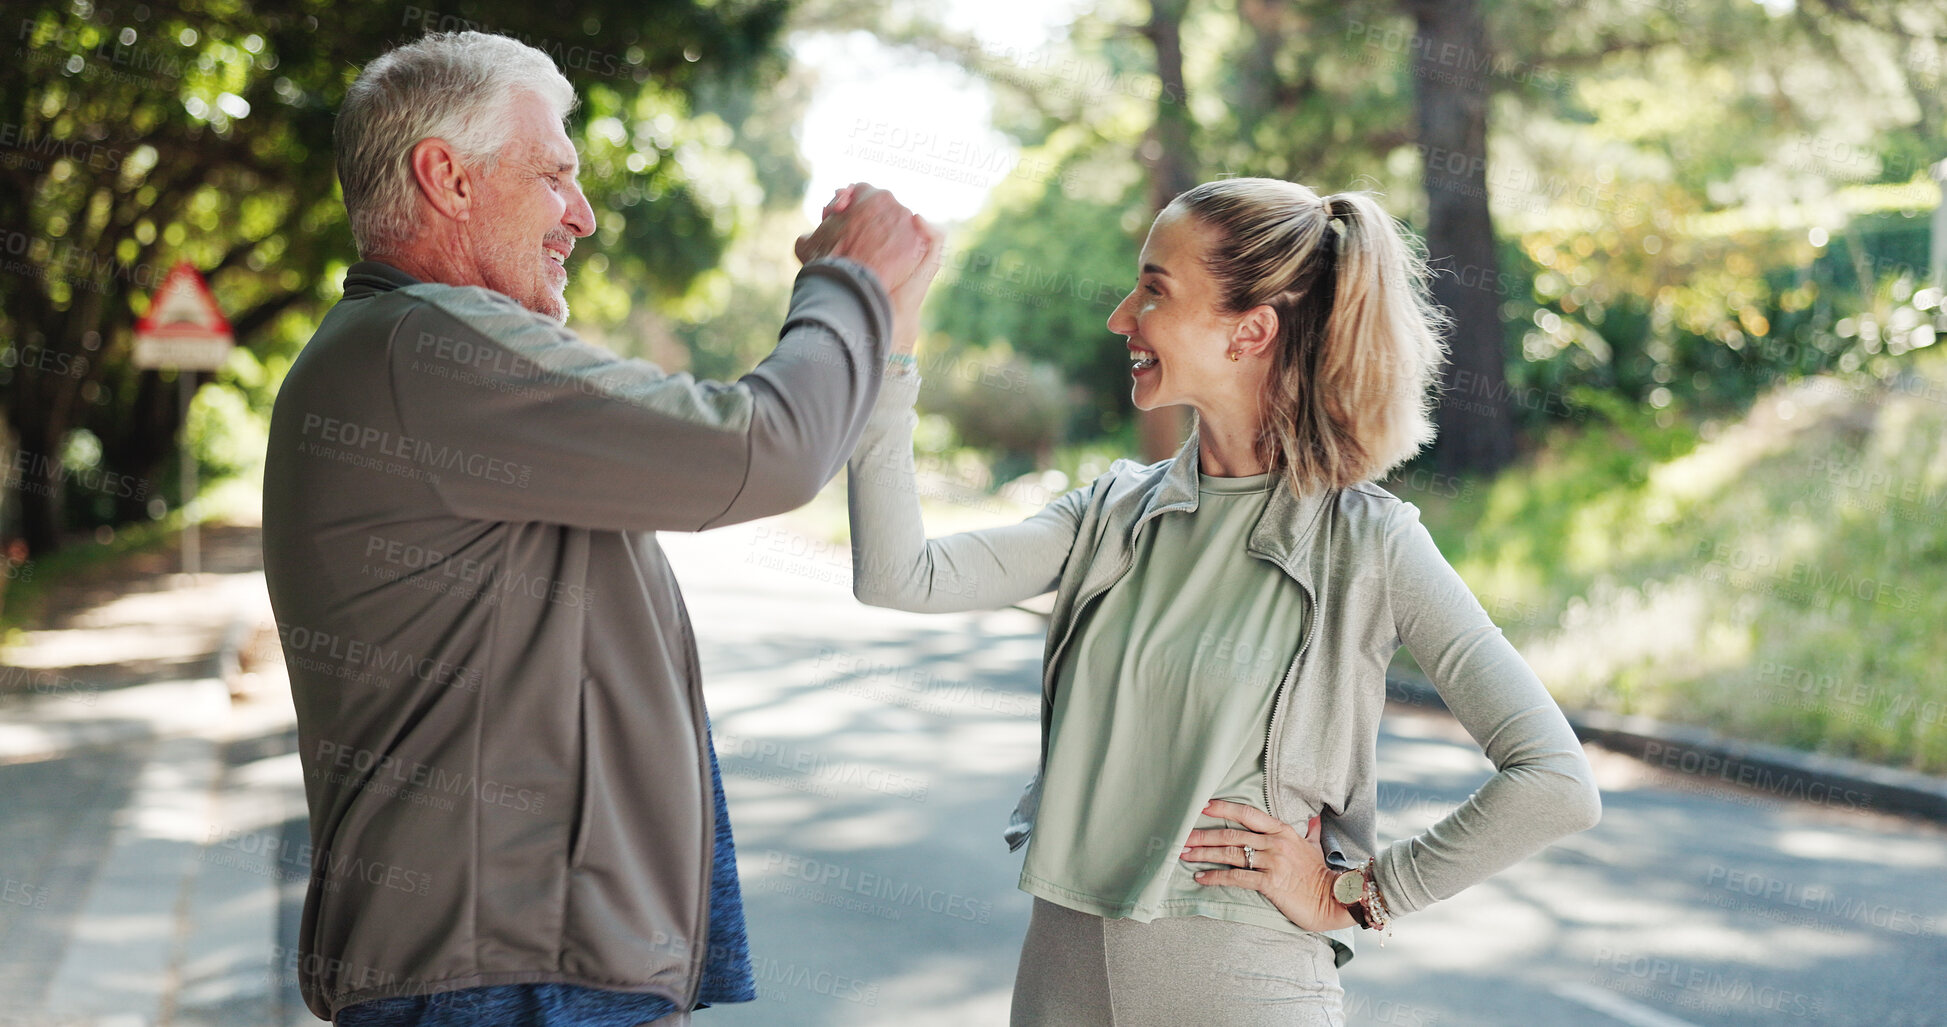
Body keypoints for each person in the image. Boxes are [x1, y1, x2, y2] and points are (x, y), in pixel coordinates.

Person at [262, 31, 938, 1025]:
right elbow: (765, 449)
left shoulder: (404, 352)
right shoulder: (427, 348)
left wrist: (881, 334)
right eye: (554, 176)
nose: (580, 215)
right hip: (506, 975)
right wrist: (850, 284)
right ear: (447, 177)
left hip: (518, 962)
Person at [842, 177, 1603, 1024]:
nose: (1121, 316)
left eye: (1153, 290)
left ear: (1250, 330)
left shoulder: (1368, 540)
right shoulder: (1110, 513)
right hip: (1058, 976)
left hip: (1241, 988)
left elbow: (1553, 778)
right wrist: (891, 344)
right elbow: (898, 573)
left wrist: (1360, 891)